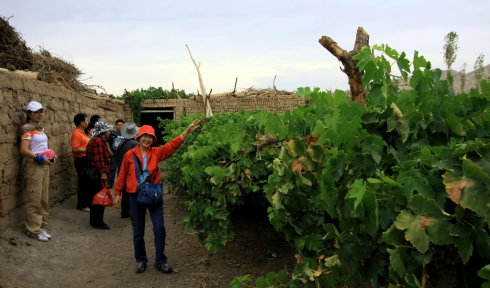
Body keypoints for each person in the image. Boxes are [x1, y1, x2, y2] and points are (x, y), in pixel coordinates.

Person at [115, 119, 200, 274]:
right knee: (138, 231)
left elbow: (172, 146)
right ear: (139, 137)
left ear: (153, 140)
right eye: (144, 136)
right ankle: (141, 260)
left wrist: (187, 131)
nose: (147, 139)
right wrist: (117, 193)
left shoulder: (157, 152)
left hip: (154, 195)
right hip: (135, 196)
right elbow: (122, 174)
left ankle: (160, 260)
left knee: (159, 228)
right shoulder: (129, 154)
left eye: (150, 137)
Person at [19, 101, 55, 242]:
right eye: (36, 112)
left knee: (43, 198)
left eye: (42, 111)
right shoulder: (27, 129)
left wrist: (50, 154)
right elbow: (24, 150)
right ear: (29, 114)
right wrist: (39, 158)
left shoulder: (40, 129)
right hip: (34, 167)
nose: (41, 114)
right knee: (34, 198)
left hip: (44, 165)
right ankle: (33, 229)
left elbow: (41, 146)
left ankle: (41, 225)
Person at [85, 121, 113, 229]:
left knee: (95, 198)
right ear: (104, 132)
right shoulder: (99, 142)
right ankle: (98, 222)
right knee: (100, 198)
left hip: (93, 173)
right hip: (97, 174)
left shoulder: (93, 140)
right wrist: (103, 173)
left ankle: (94, 220)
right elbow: (99, 159)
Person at [115, 122, 139, 218]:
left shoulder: (122, 143)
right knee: (133, 192)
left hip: (121, 169)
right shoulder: (134, 144)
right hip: (131, 172)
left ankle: (124, 212)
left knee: (125, 192)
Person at [71, 113, 91, 212]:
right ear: (81, 122)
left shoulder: (82, 133)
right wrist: (87, 150)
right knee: (83, 183)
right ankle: (82, 205)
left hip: (85, 159)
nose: (87, 123)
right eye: (86, 121)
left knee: (86, 182)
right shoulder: (76, 134)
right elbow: (75, 149)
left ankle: (86, 203)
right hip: (81, 160)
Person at [107, 119, 125, 188]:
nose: (120, 126)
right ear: (116, 126)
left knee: (121, 170)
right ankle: (110, 183)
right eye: (119, 125)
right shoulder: (112, 133)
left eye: (122, 125)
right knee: (112, 169)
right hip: (113, 154)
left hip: (122, 154)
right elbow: (107, 142)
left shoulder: (126, 134)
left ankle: (120, 184)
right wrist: (109, 151)